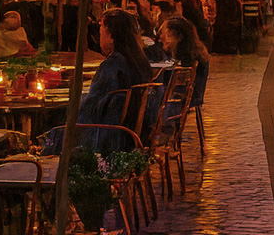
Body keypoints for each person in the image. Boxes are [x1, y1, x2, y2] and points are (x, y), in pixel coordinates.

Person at [79, 8, 154, 149]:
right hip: (132, 134)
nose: (99, 37)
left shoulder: (113, 66)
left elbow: (91, 109)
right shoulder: (139, 61)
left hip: (110, 137)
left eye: (101, 32)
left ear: (111, 36)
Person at [159, 15, 210, 121]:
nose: (163, 39)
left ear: (180, 37)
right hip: (193, 96)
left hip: (185, 98)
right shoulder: (195, 51)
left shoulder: (188, 59)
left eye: (168, 35)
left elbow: (178, 86)